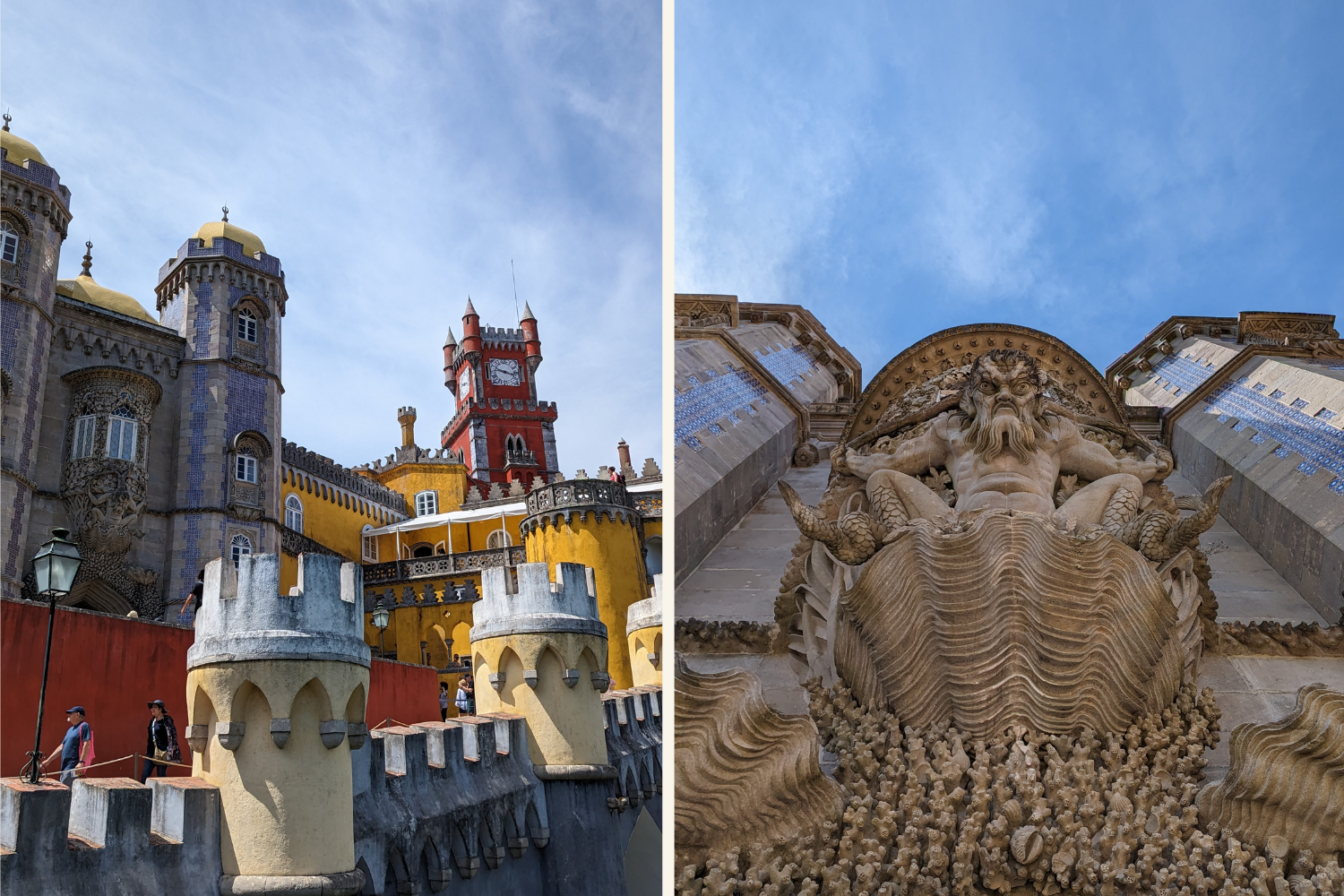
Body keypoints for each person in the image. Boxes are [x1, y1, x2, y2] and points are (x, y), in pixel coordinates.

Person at [42, 706, 92, 786]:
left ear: (78, 715)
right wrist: (48, 761)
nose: (68, 715)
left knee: (66, 788)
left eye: (70, 713)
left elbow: (87, 744)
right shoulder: (70, 730)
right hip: (65, 767)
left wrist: (81, 762)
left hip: (74, 766)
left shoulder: (84, 726)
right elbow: (61, 747)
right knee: (66, 787)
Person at [139, 699, 181, 783]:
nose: (152, 710)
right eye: (151, 708)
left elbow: (173, 735)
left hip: (163, 752)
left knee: (161, 775)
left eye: (155, 707)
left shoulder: (167, 721)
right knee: (145, 774)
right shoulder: (152, 721)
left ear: (160, 709)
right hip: (151, 752)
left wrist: (171, 748)